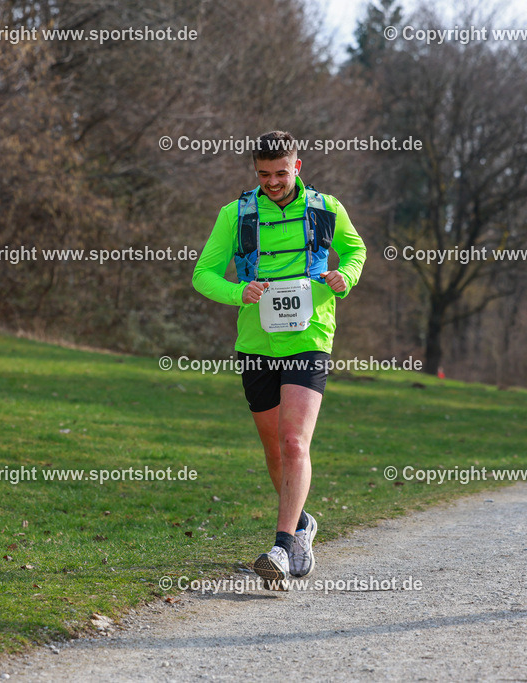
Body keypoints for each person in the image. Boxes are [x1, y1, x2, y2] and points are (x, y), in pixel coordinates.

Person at [192, 131, 366, 588]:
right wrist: (238, 292)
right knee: (274, 449)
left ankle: (282, 547)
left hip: (310, 337)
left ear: (297, 167)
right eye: (263, 174)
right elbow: (203, 274)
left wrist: (345, 276)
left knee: (293, 442)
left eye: (280, 173)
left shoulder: (326, 208)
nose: (271, 182)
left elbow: (355, 250)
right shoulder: (236, 214)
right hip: (256, 343)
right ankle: (303, 524)